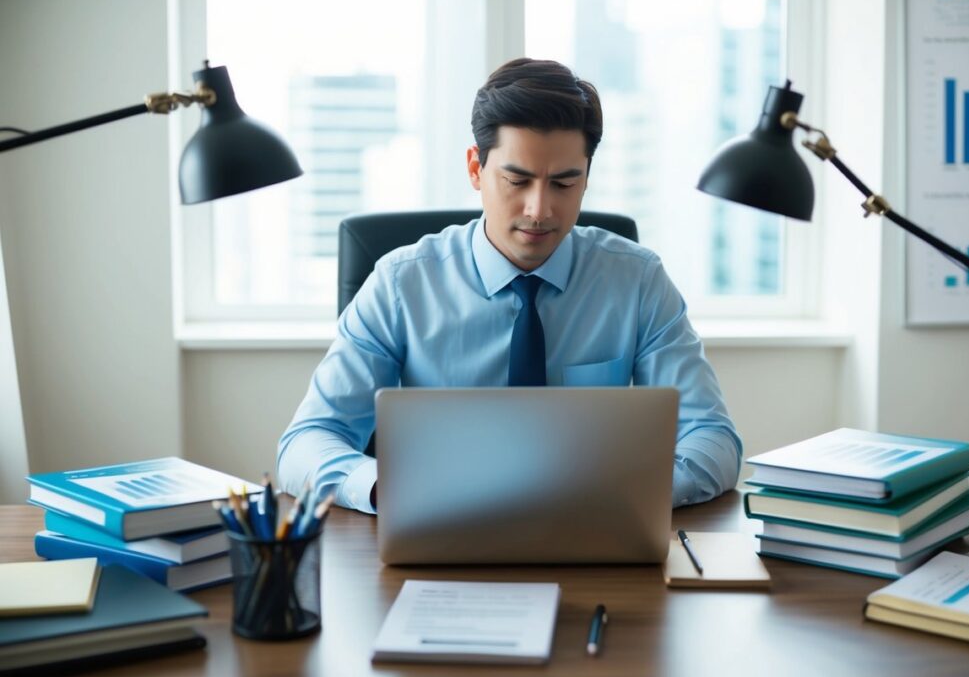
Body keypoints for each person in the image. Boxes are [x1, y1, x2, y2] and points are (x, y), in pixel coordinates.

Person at [278, 57, 741, 514]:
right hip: (441, 532)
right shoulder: (401, 284)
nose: (540, 210)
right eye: (517, 180)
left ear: (586, 179)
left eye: (564, 183)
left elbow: (712, 438)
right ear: (476, 169)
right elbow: (306, 442)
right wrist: (393, 490)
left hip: (592, 534)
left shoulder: (637, 281)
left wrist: (629, 493)